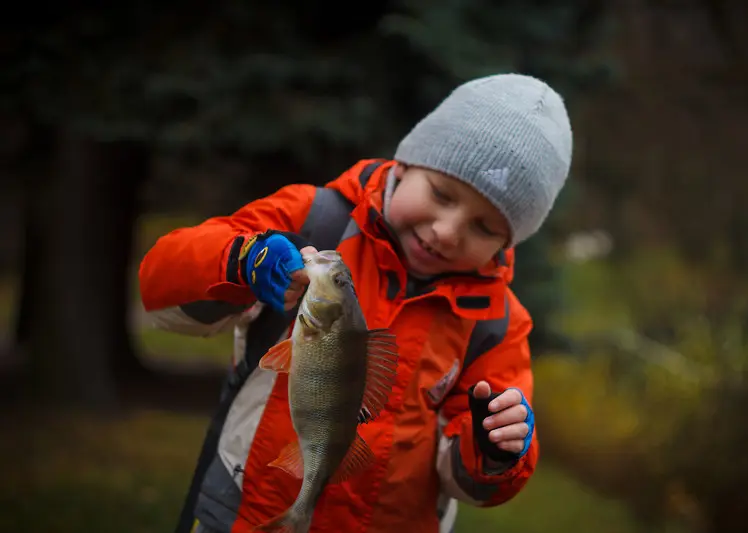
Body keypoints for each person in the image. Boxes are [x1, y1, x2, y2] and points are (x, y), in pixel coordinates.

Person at [138, 72, 573, 533]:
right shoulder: (313, 222)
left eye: (485, 228)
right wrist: (240, 261)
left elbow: (469, 478)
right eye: (441, 194)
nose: (447, 231)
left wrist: (496, 450)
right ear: (403, 166)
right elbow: (160, 286)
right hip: (245, 515)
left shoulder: (498, 323)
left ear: (508, 243)